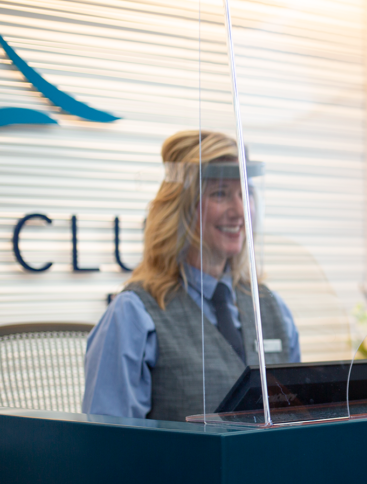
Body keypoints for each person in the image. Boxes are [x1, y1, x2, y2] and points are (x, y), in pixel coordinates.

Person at [83, 130, 300, 422]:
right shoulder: (134, 315)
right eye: (220, 193)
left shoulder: (273, 309)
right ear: (182, 208)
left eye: (245, 192)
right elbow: (106, 445)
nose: (239, 211)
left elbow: (298, 422)